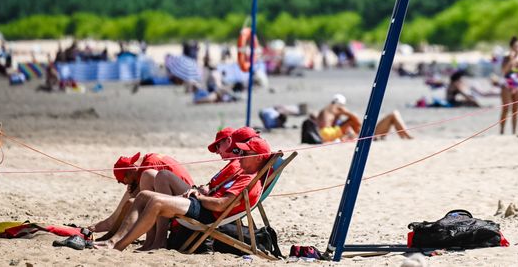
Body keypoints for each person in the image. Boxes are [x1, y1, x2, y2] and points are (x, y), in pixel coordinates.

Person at [101, 132, 274, 251]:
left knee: (157, 201)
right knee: (144, 195)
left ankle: (118, 247)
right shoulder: (244, 172)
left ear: (258, 157)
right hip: (203, 203)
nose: (240, 153)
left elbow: (221, 205)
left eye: (244, 151)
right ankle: (113, 241)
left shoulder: (248, 178)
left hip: (208, 212)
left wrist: (198, 196)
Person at [89, 150, 195, 248]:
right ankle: (115, 229)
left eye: (122, 181)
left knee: (136, 201)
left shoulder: (148, 166)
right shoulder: (148, 160)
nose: (125, 184)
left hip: (186, 198)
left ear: (130, 172)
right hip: (182, 192)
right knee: (138, 196)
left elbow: (137, 198)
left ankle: (113, 231)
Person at [315, 94, 412, 142]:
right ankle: (408, 136)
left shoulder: (326, 110)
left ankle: (405, 136)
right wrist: (348, 113)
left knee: (393, 115)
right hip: (367, 135)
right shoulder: (335, 108)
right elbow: (354, 120)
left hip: (326, 133)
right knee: (394, 114)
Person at [498, 37, 518, 135]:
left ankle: (514, 131)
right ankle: (502, 130)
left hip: (517, 85)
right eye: (516, 46)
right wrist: (511, 60)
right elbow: (504, 71)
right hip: (507, 84)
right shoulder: (507, 58)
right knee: (506, 108)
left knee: (516, 110)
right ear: (511, 47)